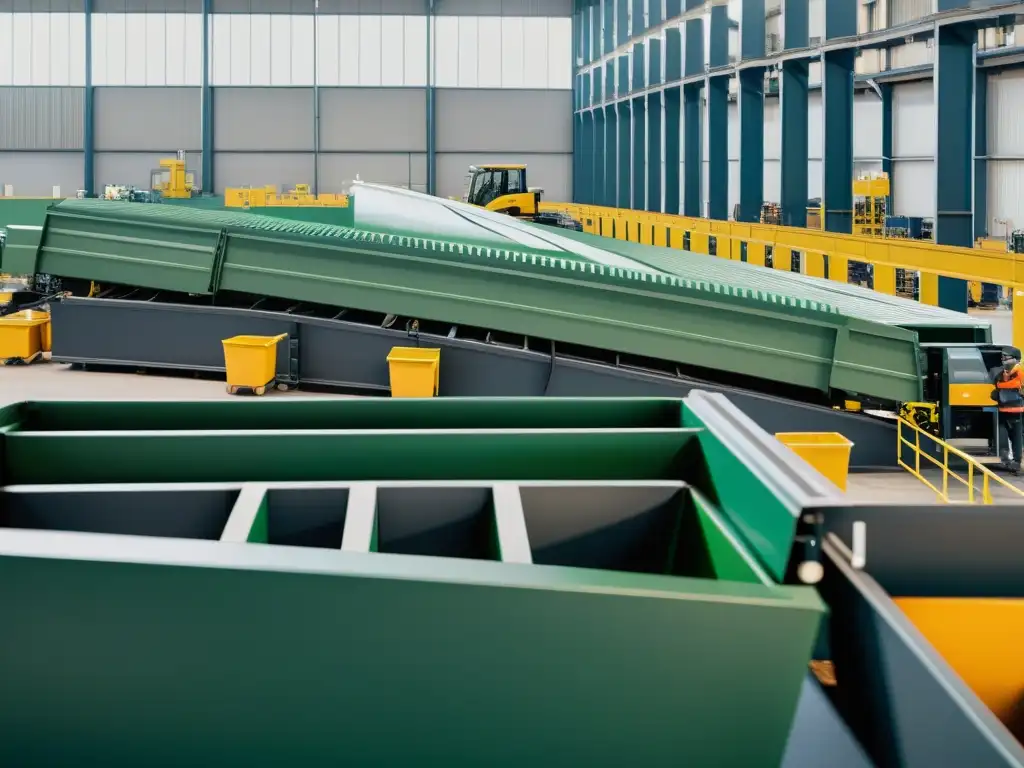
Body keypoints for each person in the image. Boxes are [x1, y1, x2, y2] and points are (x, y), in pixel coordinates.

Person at [993, 347, 1024, 474]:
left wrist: (1000, 387)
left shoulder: (1020, 372)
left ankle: (1016, 461)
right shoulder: (1003, 372)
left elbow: (1015, 385)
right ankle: (1008, 459)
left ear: (1015, 359)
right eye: (1002, 357)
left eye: (1006, 357)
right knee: (1006, 436)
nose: (1003, 359)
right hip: (1003, 410)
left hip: (1017, 410)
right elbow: (997, 384)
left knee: (1016, 436)